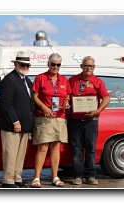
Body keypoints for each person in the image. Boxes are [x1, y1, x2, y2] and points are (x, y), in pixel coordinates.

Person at [68, 56, 110, 185]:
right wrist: (66, 102)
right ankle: (78, 176)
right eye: (86, 65)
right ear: (81, 66)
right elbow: (68, 95)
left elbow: (106, 98)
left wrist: (98, 111)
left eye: (91, 66)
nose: (88, 68)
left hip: (91, 120)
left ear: (94, 68)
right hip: (75, 120)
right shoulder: (73, 80)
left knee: (91, 149)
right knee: (77, 149)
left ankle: (90, 175)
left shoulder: (98, 82)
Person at [31, 53, 71, 188]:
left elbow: (68, 95)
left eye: (58, 65)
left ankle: (55, 176)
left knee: (56, 148)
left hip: (59, 117)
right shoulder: (40, 78)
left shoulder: (64, 80)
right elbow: (34, 96)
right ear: (48, 64)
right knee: (42, 148)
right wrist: (43, 107)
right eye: (53, 64)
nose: (55, 67)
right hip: (44, 117)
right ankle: (37, 177)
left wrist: (66, 102)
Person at [0, 51, 34, 188]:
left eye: (27, 65)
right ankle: (8, 180)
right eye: (22, 64)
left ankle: (17, 177)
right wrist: (15, 121)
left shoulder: (27, 81)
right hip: (11, 125)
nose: (25, 67)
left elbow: (30, 103)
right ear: (16, 64)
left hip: (25, 125)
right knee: (10, 153)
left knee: (20, 155)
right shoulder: (9, 80)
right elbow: (6, 104)